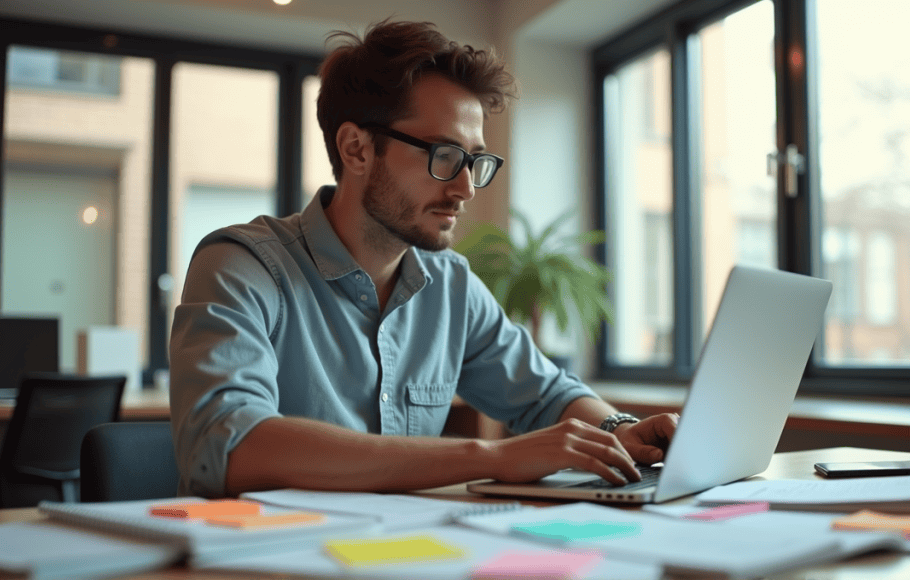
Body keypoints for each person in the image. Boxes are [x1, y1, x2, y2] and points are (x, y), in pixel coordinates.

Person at [168, 19, 679, 498]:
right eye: (444, 156)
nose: (465, 188)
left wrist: (621, 430)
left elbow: (546, 395)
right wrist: (490, 456)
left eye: (474, 161)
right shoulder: (242, 266)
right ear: (357, 150)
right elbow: (231, 445)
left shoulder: (450, 285)